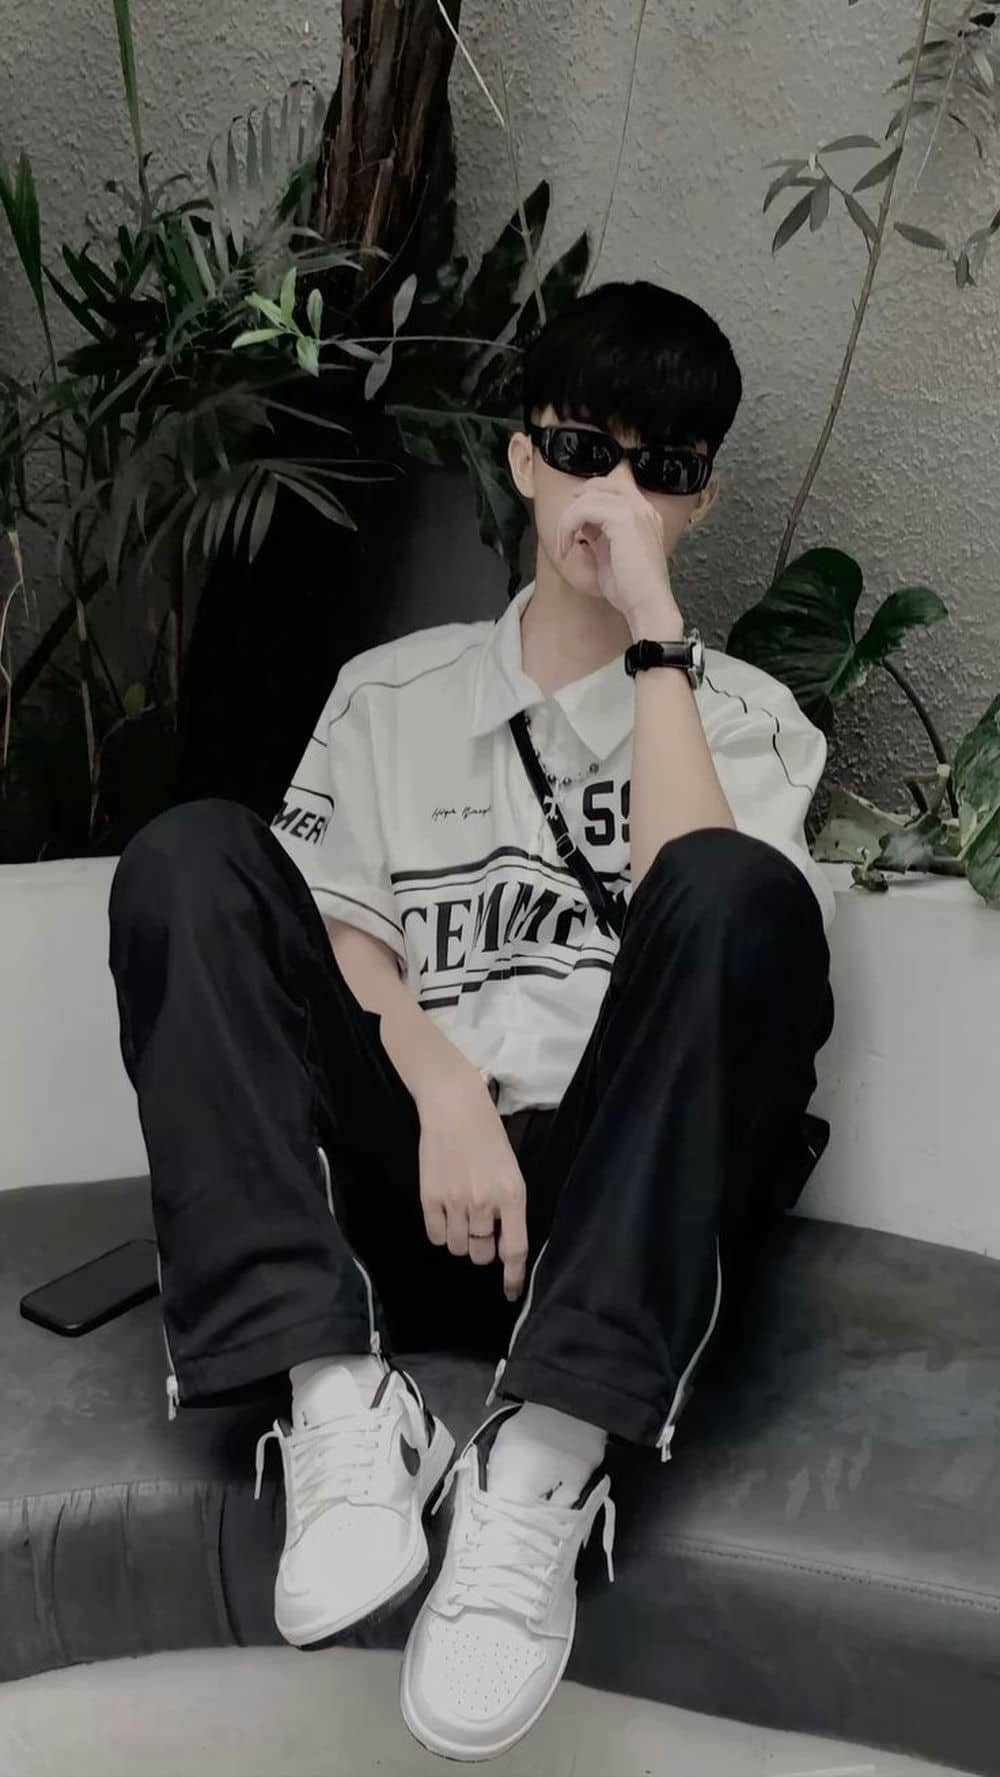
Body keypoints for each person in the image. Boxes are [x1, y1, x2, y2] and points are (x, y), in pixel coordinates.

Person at [109, 279, 835, 1764]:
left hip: (614, 1206)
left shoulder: (750, 719)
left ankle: (543, 1465)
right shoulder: (390, 695)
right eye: (580, 449)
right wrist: (442, 1084)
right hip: (408, 1179)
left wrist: (655, 639)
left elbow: (697, 914)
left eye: (661, 468)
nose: (612, 495)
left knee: (739, 888)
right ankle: (336, 1400)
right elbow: (335, 951)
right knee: (191, 858)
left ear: (699, 502)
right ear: (519, 458)